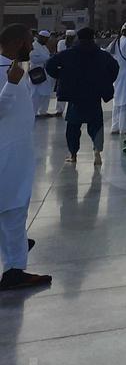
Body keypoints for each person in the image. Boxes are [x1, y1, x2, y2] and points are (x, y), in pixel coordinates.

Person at [0, 24, 50, 291]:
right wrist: (11, 84)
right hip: (7, 155)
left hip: (15, 151)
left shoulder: (13, 69)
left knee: (11, 208)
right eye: (29, 42)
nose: (32, 47)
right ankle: (14, 270)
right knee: (14, 208)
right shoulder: (7, 73)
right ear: (19, 42)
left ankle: (15, 249)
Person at [45, 28, 119, 166]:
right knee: (96, 125)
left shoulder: (68, 54)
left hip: (75, 95)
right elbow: (114, 68)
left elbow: (49, 65)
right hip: (94, 95)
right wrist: (106, 80)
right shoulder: (101, 55)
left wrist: (61, 76)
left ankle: (73, 154)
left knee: (73, 126)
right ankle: (97, 151)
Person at [28, 31, 55, 118]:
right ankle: (33, 113)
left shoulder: (44, 47)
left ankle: (43, 111)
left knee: (46, 94)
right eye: (45, 39)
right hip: (36, 72)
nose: (46, 41)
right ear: (41, 37)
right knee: (36, 94)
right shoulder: (33, 46)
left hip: (45, 73)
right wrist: (48, 58)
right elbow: (33, 58)